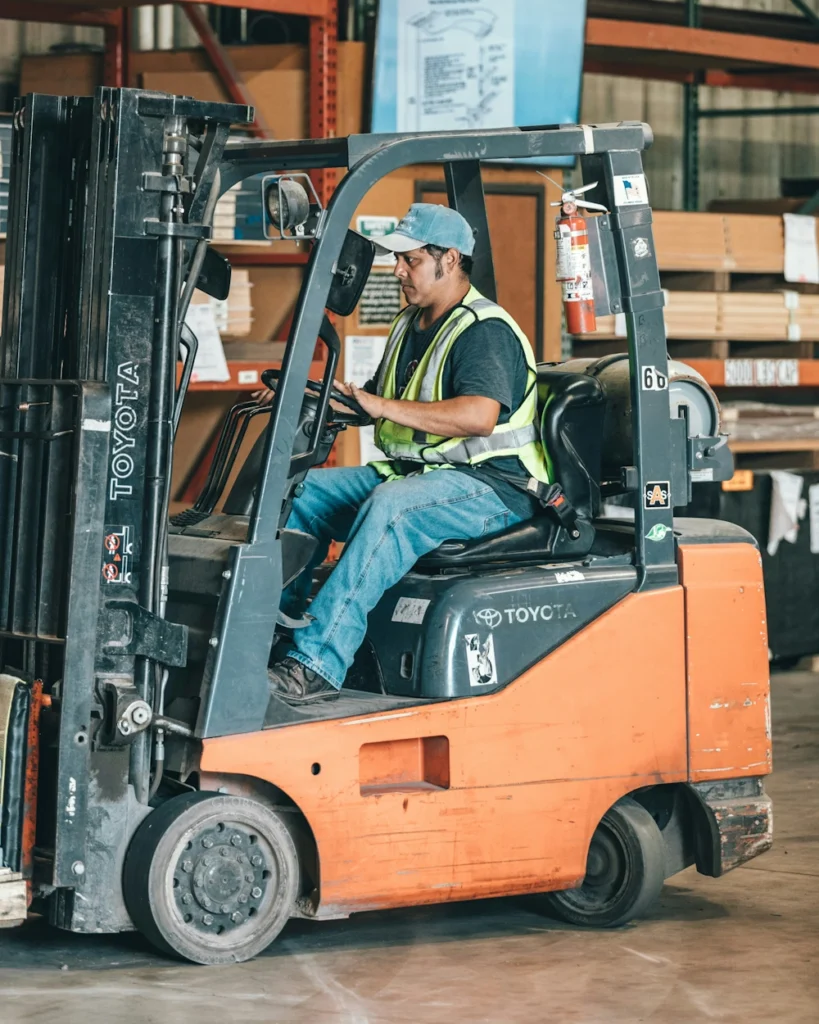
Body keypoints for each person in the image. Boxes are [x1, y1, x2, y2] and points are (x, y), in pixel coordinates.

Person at [262, 203, 552, 704]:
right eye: (398, 260)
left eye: (410, 260)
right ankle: (270, 638)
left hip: (495, 488)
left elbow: (477, 416)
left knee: (392, 510)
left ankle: (316, 663)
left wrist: (380, 406)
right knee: (299, 492)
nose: (397, 271)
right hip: (418, 474)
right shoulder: (409, 323)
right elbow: (370, 404)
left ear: (451, 259)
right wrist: (302, 394)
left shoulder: (484, 331)